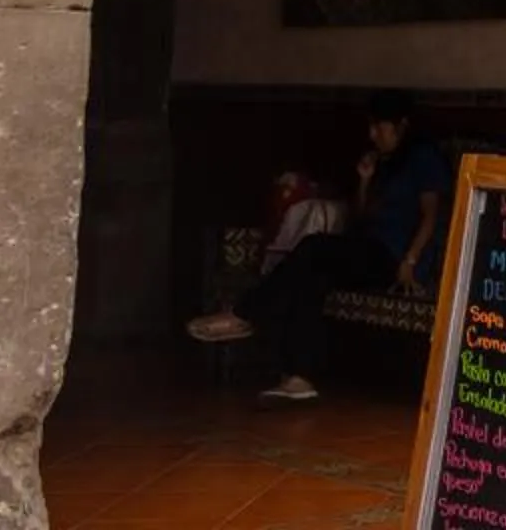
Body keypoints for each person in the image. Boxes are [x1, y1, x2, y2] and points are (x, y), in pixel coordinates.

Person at [187, 90, 452, 403]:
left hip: (396, 259)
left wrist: (410, 261)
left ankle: (246, 314)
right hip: (369, 248)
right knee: (313, 276)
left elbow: (431, 216)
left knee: (314, 248)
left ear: (401, 126)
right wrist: (365, 179)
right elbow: (362, 215)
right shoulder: (386, 161)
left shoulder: (425, 158)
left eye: (379, 128)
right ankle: (299, 378)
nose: (372, 135)